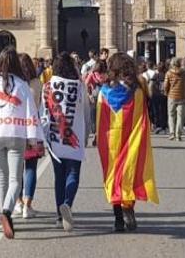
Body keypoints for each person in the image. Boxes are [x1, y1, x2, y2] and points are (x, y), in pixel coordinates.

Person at [0, 47, 43, 240]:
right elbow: (30, 112)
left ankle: (2, 211)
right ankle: (7, 211)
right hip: (17, 135)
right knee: (16, 179)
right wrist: (33, 139)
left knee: (1, 177)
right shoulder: (22, 85)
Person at [96, 52, 159, 232]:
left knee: (112, 178)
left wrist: (97, 138)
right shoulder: (138, 92)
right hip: (132, 140)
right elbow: (142, 118)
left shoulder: (104, 92)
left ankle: (118, 220)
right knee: (129, 174)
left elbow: (100, 118)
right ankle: (128, 207)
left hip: (110, 142)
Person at [41, 52, 92, 232]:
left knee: (59, 177)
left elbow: (44, 113)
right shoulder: (79, 86)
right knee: (73, 174)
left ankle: (58, 215)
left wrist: (44, 136)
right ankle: (68, 204)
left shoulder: (48, 86)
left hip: (55, 137)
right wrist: (87, 135)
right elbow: (86, 112)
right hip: (74, 137)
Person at [14, 53, 43, 219]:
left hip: (16, 128)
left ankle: (18, 202)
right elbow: (39, 105)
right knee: (31, 168)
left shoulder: (14, 84)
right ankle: (28, 205)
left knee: (16, 167)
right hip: (33, 127)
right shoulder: (36, 83)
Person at [163, 58, 185, 141]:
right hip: (182, 97)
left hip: (171, 97)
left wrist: (166, 93)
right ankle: (178, 134)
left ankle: (171, 133)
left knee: (171, 115)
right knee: (180, 117)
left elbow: (165, 85)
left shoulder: (168, 73)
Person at [151, 62, 168, 134]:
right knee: (164, 110)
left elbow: (151, 85)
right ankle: (164, 126)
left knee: (156, 110)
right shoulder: (166, 75)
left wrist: (151, 93)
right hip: (164, 95)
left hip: (156, 95)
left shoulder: (156, 75)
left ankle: (157, 125)